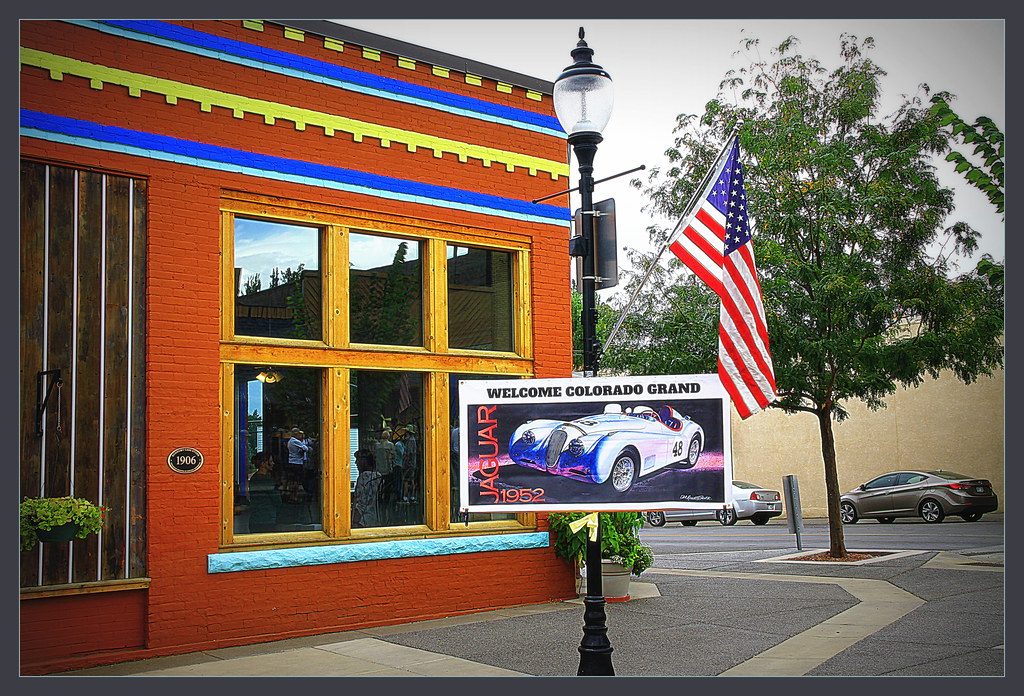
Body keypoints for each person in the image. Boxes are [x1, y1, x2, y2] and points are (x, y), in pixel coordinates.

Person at [247, 451, 282, 533]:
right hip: (267, 519)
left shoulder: (254, 478)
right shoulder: (266, 480)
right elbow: (277, 500)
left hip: (255, 519)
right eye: (270, 461)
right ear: (263, 464)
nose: (273, 463)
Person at [352, 450, 382, 528]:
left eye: (357, 460)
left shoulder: (364, 477)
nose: (356, 463)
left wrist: (355, 522)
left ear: (364, 461)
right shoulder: (379, 476)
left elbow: (360, 503)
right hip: (377, 520)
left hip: (363, 521)